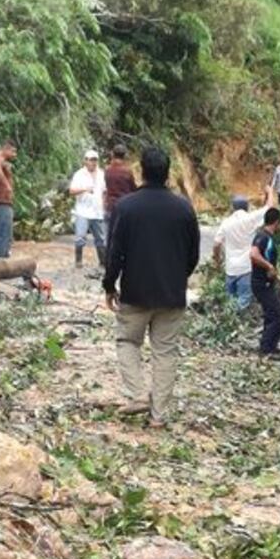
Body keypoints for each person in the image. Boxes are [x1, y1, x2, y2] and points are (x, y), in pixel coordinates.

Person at [103, 147, 201, 428]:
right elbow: (193, 254)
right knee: (165, 353)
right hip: (172, 296)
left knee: (127, 342)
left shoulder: (127, 207)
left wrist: (110, 285)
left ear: (142, 171)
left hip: (135, 293)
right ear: (168, 171)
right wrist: (177, 277)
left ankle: (137, 394)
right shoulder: (184, 208)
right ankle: (159, 417)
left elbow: (114, 253)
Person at [213, 186, 276, 310]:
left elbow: (216, 244)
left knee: (230, 301)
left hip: (230, 269)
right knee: (243, 302)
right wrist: (270, 192)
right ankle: (237, 325)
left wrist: (217, 260)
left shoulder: (226, 223)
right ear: (246, 207)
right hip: (246, 269)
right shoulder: (250, 219)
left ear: (233, 208)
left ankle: (228, 324)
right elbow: (270, 209)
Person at [249, 208, 280, 357]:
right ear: (276, 222)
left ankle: (269, 346)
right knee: (277, 316)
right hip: (260, 283)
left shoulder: (265, 237)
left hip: (266, 283)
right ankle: (266, 350)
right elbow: (253, 254)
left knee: (271, 315)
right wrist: (269, 266)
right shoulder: (263, 237)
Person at [69, 149, 107, 269]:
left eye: (95, 160)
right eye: (90, 160)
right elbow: (72, 191)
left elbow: (105, 190)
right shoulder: (79, 174)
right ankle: (78, 261)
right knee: (80, 236)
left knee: (100, 238)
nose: (92, 162)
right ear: (85, 161)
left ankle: (103, 262)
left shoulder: (102, 174)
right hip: (82, 210)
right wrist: (85, 189)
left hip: (97, 210)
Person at [104, 143, 137, 232]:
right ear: (125, 155)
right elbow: (133, 189)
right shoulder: (127, 171)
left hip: (111, 206)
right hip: (125, 207)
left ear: (112, 154)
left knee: (110, 235)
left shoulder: (107, 170)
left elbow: (106, 187)